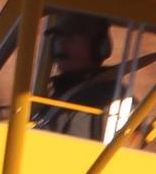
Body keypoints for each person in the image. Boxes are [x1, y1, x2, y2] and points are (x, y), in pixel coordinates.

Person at [35, 12, 118, 140]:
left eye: (72, 37)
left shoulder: (99, 98)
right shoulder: (65, 90)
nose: (61, 44)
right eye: (58, 36)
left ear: (100, 46)